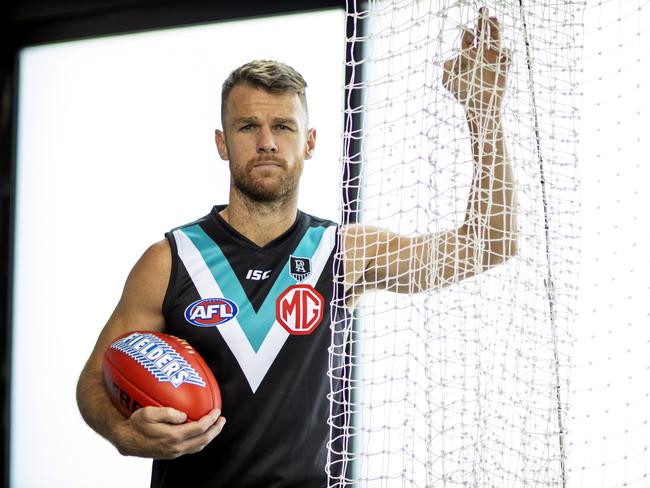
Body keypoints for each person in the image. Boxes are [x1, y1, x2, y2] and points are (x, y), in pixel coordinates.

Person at [76, 7, 516, 487]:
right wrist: (125, 433)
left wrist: (485, 113)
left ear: (309, 142)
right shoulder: (170, 259)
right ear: (222, 144)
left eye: (283, 127)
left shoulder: (344, 250)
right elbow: (95, 381)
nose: (266, 142)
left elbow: (488, 242)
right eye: (248, 127)